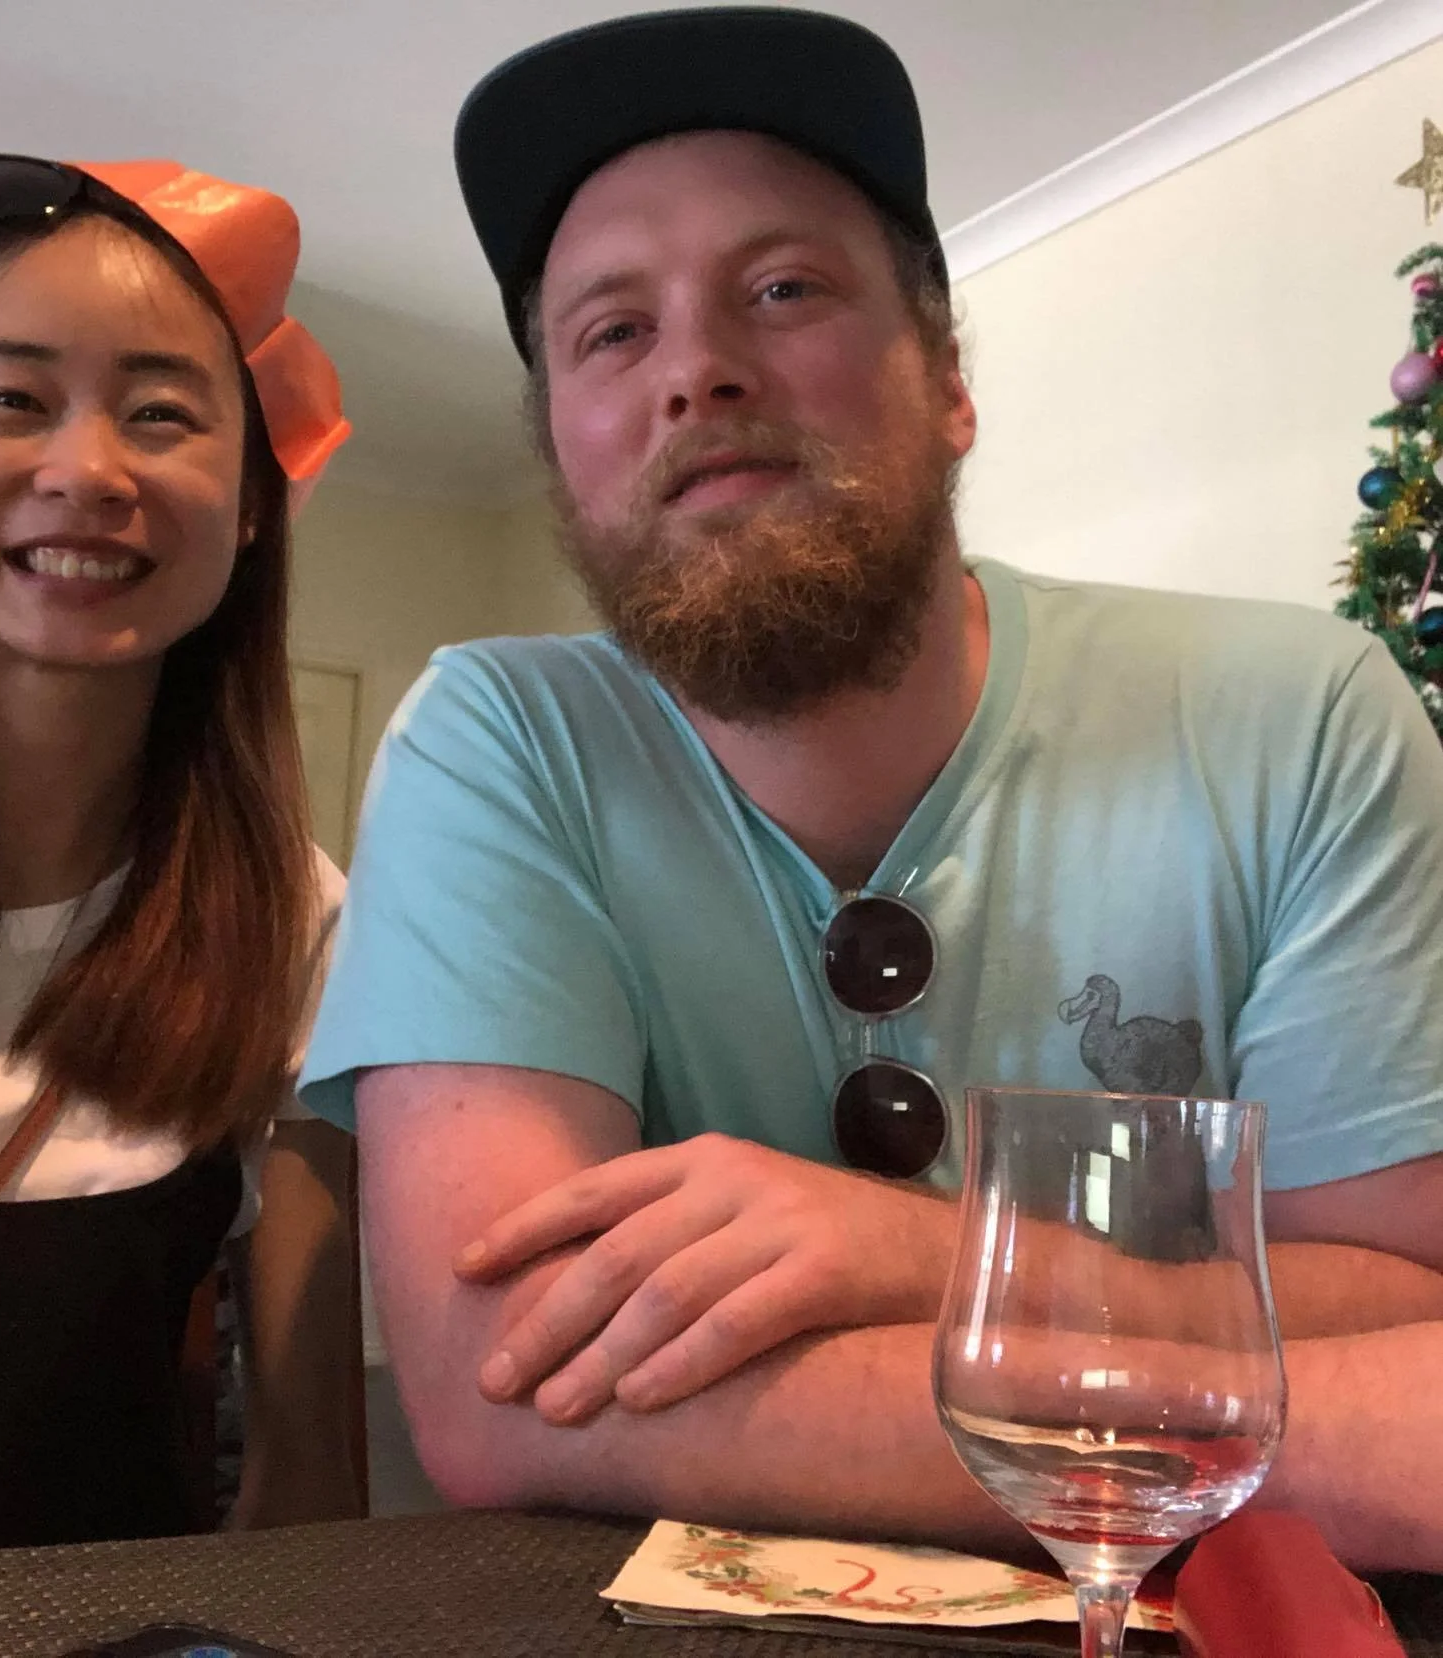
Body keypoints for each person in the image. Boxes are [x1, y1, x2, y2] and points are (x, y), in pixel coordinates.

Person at [300, 7, 1443, 1569]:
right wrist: (1316, 1432)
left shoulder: (1297, 718)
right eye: (610, 331)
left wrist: (916, 1253)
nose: (694, 369)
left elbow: (1406, 1296)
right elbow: (512, 1384)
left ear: (948, 383)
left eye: (780, 289)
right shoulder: (497, 740)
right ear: (563, 450)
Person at [0, 156, 359, 1557]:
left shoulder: (297, 925)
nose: (86, 470)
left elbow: (307, 1499)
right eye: (15, 399)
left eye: (163, 414)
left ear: (249, 501)